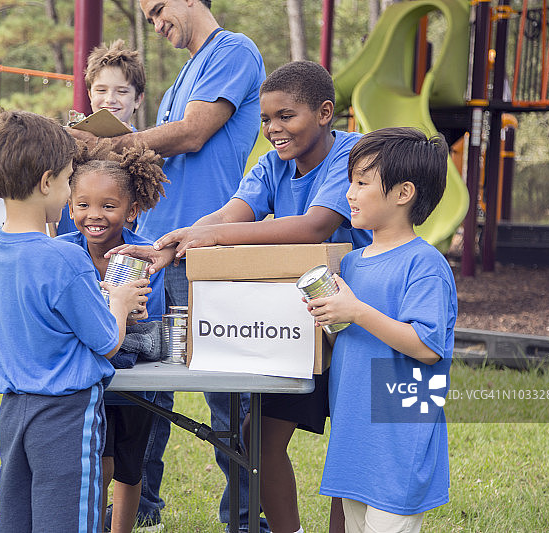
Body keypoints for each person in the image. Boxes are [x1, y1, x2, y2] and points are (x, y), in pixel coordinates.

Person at [108, 61, 373, 533]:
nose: (273, 129)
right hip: (300, 323)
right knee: (257, 437)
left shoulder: (351, 156)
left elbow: (315, 226)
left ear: (324, 113)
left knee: (349, 445)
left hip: (357, 321)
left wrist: (215, 237)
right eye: (266, 119)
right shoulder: (272, 165)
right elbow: (230, 213)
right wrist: (174, 244)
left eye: (286, 116)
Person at [69, 1, 266, 530]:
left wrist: (111, 140)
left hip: (203, 251)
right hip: (153, 251)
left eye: (158, 9)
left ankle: (247, 519)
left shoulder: (233, 51)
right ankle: (142, 508)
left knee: (226, 397)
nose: (155, 24)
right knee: (144, 391)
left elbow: (193, 133)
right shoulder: (184, 73)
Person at [0, 109, 150, 533]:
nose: (71, 189)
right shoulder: (66, 257)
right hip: (66, 417)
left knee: (18, 519)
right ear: (46, 182)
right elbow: (107, 341)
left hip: (13, 413)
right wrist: (120, 301)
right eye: (70, 178)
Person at [306, 127, 456, 533]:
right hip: (355, 440)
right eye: (350, 182)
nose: (349, 193)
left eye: (362, 183)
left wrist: (356, 311)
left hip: (399, 444)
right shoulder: (351, 263)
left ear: (403, 193)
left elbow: (427, 346)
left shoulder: (424, 264)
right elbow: (350, 337)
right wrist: (330, 317)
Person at [56, 143, 168, 533]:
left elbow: (150, 325)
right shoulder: (62, 253)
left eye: (108, 206)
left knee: (129, 468)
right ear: (70, 207)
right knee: (98, 462)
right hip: (88, 383)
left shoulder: (145, 256)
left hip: (134, 385)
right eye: (83, 204)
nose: (94, 215)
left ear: (131, 210)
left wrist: (131, 314)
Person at [0, 39, 147, 236]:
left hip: (116, 247)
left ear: (138, 99)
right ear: (90, 94)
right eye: (101, 90)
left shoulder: (144, 153)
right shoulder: (73, 138)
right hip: (68, 241)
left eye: (122, 91)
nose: (110, 99)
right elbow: (20, 156)